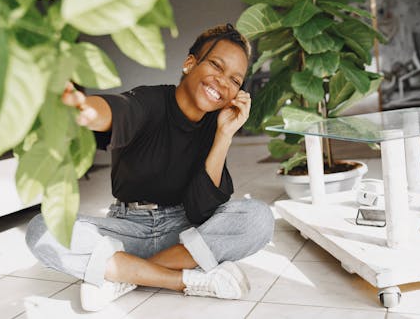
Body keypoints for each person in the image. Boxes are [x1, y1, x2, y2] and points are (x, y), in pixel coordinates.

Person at [25, 24, 274, 312]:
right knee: (42, 230)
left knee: (258, 218)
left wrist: (224, 136)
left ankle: (122, 275)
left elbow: (201, 211)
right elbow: (117, 110)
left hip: (184, 232)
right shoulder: (148, 101)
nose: (222, 82)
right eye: (216, 66)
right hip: (128, 228)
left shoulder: (216, 124)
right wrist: (84, 108)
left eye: (234, 80)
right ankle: (185, 280)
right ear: (189, 63)